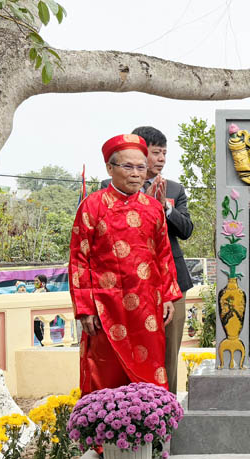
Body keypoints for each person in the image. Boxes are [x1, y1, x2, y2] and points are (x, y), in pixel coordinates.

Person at [69, 133, 182, 396]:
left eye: (141, 167)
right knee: (104, 374)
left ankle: (153, 432)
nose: (135, 174)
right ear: (110, 168)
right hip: (105, 309)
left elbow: (163, 255)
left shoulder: (154, 208)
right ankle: (101, 435)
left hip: (147, 307)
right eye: (127, 167)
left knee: (151, 373)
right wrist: (85, 308)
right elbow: (78, 261)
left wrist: (167, 296)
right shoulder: (92, 206)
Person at [102, 126, 194, 394]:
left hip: (171, 283)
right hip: (126, 284)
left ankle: (166, 410)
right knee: (128, 350)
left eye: (165, 153)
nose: (161, 158)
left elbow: (186, 230)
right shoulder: (109, 189)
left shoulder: (174, 189)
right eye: (156, 152)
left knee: (168, 351)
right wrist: (143, 202)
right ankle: (129, 414)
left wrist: (164, 207)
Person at [33, 274, 48, 343]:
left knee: (42, 336)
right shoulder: (35, 291)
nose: (35, 282)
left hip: (40, 318)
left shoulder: (44, 291)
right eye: (34, 281)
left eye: (37, 281)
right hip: (34, 317)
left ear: (43, 282)